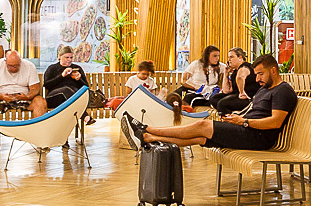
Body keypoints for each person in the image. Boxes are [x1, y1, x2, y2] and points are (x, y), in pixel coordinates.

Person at [122, 53, 296, 153]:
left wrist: (244, 122)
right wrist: (237, 117)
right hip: (247, 130)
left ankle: (147, 128)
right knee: (201, 138)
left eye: (260, 74)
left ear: (274, 70)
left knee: (202, 125)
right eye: (256, 74)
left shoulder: (282, 91)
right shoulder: (265, 88)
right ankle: (149, 137)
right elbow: (253, 110)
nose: (257, 79)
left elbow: (275, 122)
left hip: (258, 138)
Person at [0, 50, 45, 152]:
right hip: (1, 98)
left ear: (20, 61)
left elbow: (35, 89)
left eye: (16, 65)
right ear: (5, 61)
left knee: (40, 101)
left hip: (23, 98)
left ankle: (40, 138)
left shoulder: (29, 66)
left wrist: (27, 96)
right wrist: (1, 96)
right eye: (10, 66)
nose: (13, 68)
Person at [42, 45, 90, 147]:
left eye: (71, 57)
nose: (69, 60)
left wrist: (79, 79)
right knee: (67, 90)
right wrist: (62, 76)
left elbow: (86, 87)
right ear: (60, 56)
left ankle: (64, 140)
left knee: (71, 99)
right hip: (54, 97)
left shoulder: (77, 68)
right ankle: (84, 115)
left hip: (70, 101)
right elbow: (47, 84)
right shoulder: (52, 68)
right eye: (66, 57)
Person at [214, 47, 258, 114]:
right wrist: (226, 73)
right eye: (228, 57)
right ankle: (231, 115)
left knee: (222, 104)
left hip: (249, 98)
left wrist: (242, 92)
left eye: (231, 57)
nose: (229, 60)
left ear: (240, 58)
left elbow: (240, 77)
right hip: (238, 95)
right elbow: (226, 91)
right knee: (215, 99)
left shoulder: (245, 67)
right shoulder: (235, 72)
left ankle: (232, 118)